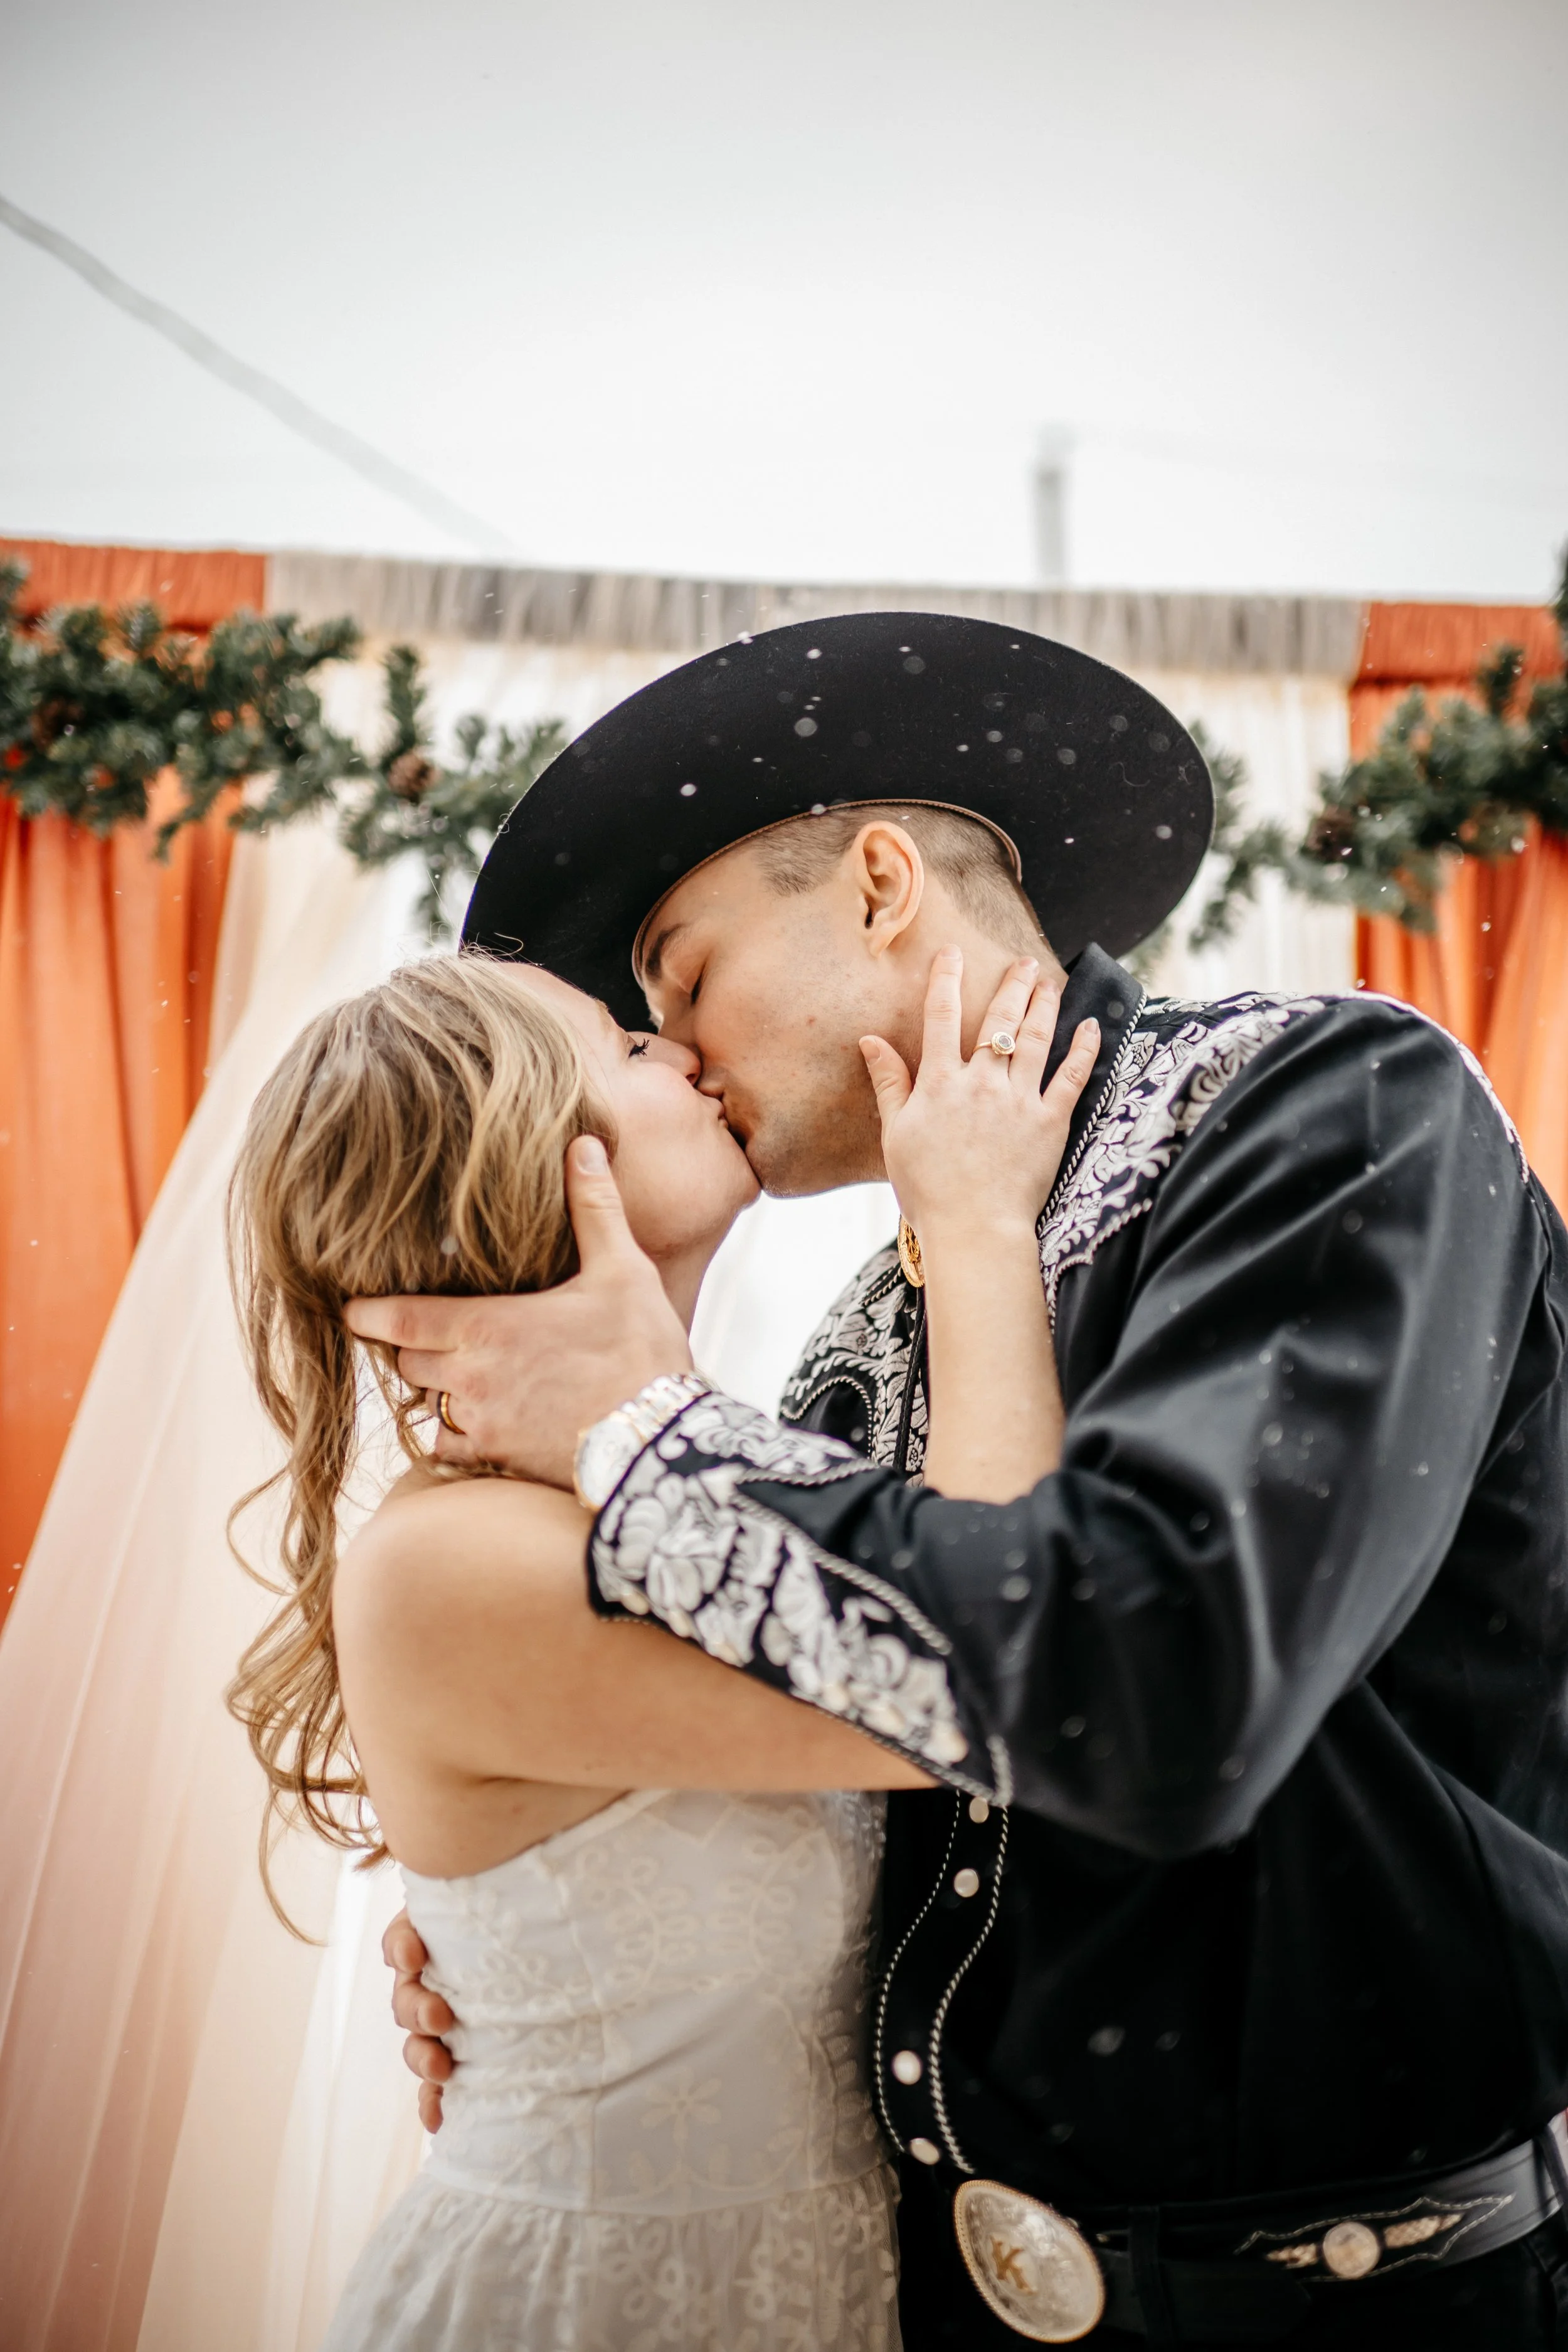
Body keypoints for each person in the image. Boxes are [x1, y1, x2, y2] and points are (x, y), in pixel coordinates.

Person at [356, 610, 1568, 2348]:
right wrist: (564, 1964)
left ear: (871, 879)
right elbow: (885, 1769)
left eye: (682, 976)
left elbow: (1159, 1688)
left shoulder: (1323, 1104)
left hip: (1345, 2303)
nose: (676, 1051)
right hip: (924, 2296)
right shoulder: (858, 1335)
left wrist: (644, 1430)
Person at [226, 943, 1098, 2352]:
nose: (682, 1051)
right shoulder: (455, 1565)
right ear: (535, 1166)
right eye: (629, 1051)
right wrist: (978, 1220)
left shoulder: (701, 1467)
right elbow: (992, 1668)